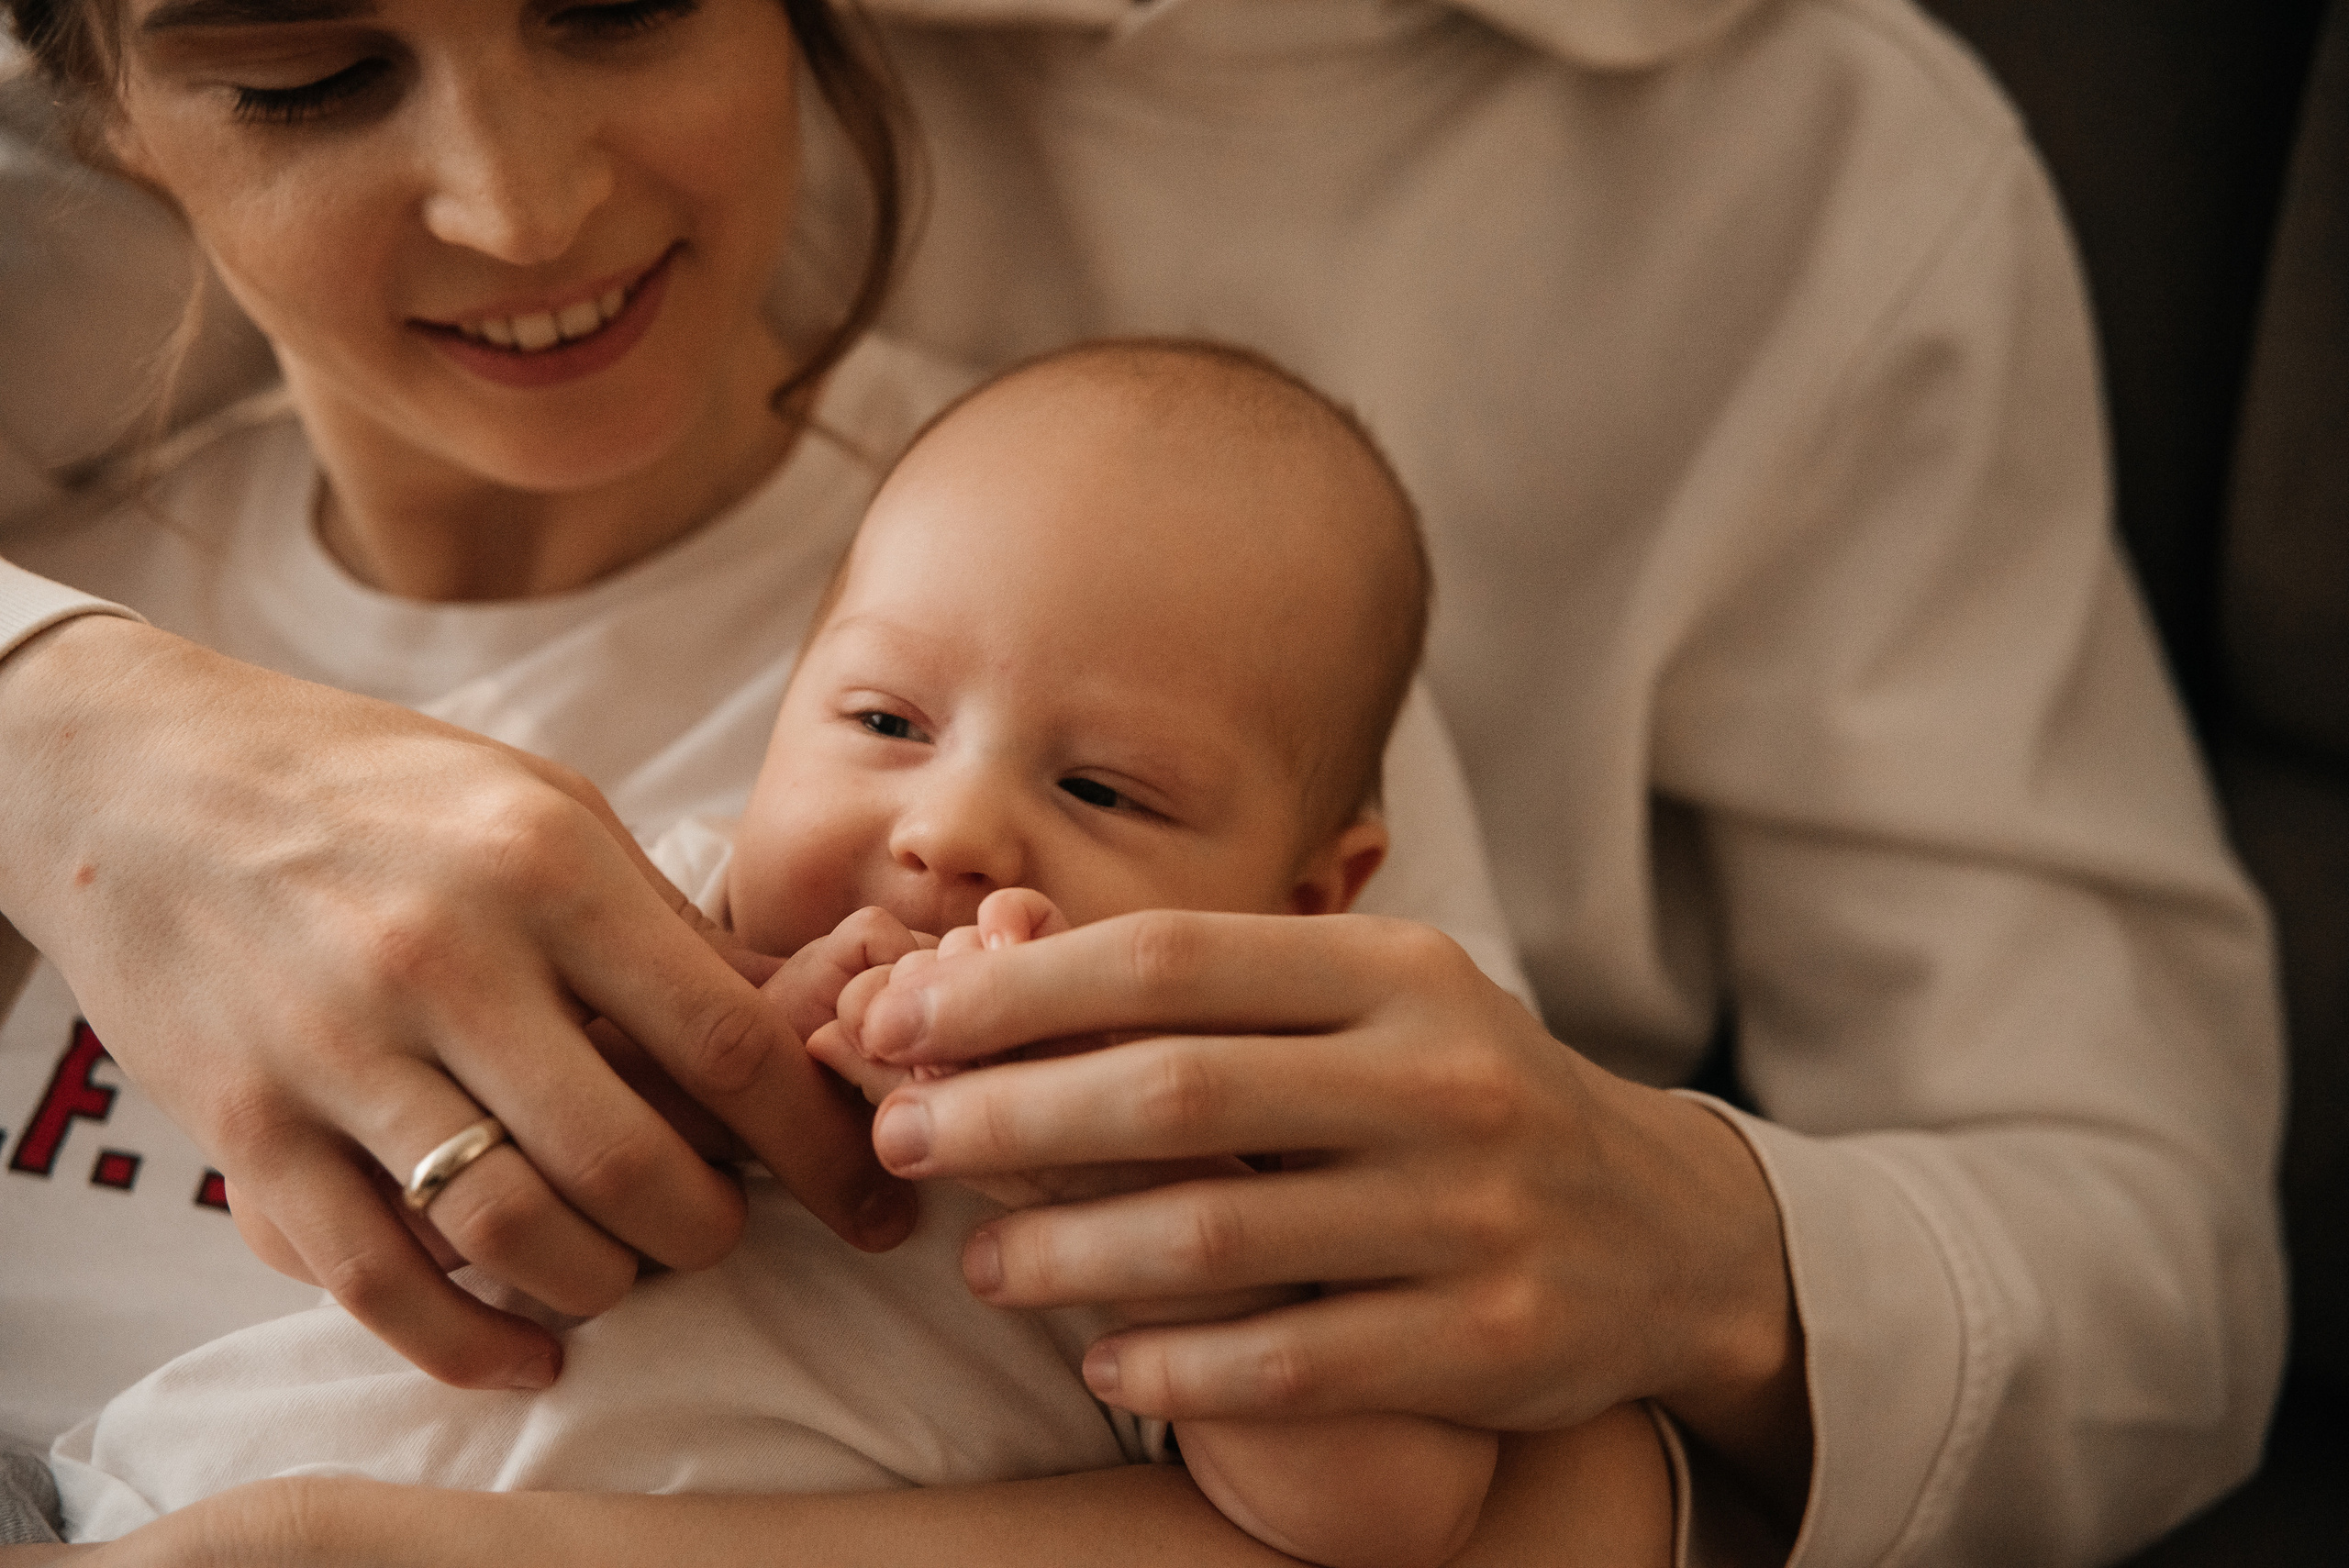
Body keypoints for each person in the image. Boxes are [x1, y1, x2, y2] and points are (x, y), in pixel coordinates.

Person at [0, 0, 2287, 1563]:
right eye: (309, 74)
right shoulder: (102, 492)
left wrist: (1662, 1250)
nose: (517, 200)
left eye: (627, 4)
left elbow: (1506, 1491)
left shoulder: (1123, 615)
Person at [47, 339, 1599, 1568]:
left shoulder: (1277, 1149)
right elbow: (293, 1214)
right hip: (146, 1500)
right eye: (882, 722)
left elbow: (1387, 1521)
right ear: (784, 703)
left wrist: (1150, 1212)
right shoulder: (644, 915)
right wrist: (665, 1073)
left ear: (1312, 903)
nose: (954, 827)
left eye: (1103, 789)